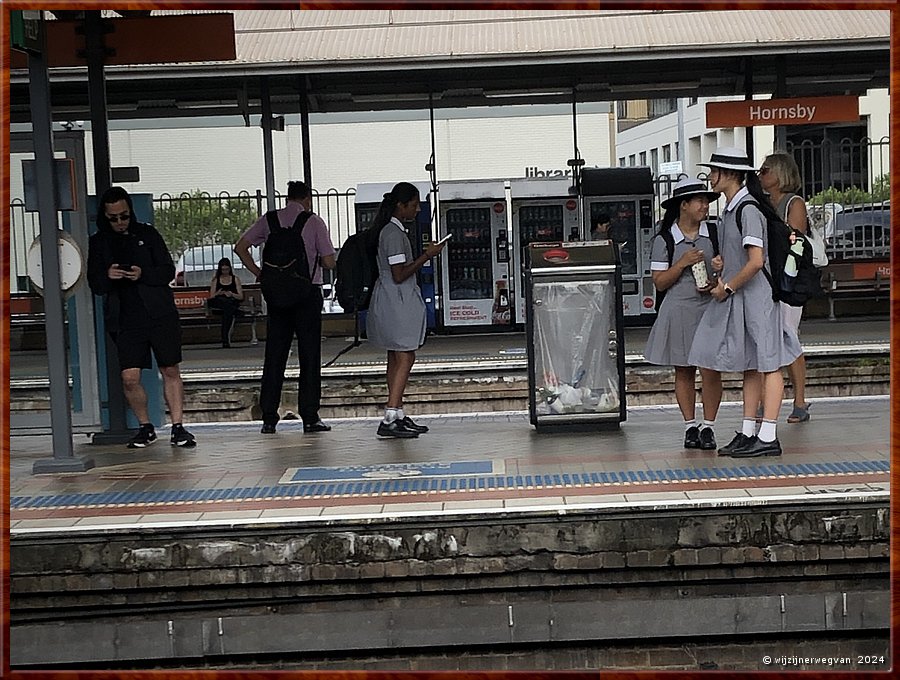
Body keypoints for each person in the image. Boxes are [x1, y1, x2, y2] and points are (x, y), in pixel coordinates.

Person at [688, 147, 803, 458]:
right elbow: (745, 257)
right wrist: (724, 264)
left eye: (715, 171)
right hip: (747, 297)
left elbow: (755, 261)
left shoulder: (747, 209)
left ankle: (768, 434)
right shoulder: (733, 209)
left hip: (758, 297)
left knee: (769, 363)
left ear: (732, 175)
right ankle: (749, 430)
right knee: (753, 365)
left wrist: (726, 287)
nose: (710, 176)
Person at [86, 186, 196, 449]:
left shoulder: (147, 234)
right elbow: (95, 283)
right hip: (124, 317)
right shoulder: (99, 243)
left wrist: (142, 274)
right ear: (105, 217)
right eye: (114, 218)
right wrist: (109, 275)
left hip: (159, 313)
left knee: (169, 368)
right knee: (130, 377)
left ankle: (178, 426)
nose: (120, 223)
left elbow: (168, 270)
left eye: (124, 216)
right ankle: (145, 426)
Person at [234, 180, 336, 434]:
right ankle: (310, 417)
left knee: (275, 354)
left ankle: (269, 417)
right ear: (307, 199)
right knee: (309, 356)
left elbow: (240, 247)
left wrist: (260, 274)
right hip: (307, 295)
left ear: (287, 197)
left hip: (277, 296)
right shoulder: (313, 221)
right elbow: (329, 261)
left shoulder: (269, 220)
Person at [644, 178, 724, 451]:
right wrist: (682, 263)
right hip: (679, 309)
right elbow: (659, 282)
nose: (704, 206)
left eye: (706, 201)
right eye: (699, 201)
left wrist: (719, 269)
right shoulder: (665, 239)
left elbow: (727, 268)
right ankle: (690, 425)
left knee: (711, 369)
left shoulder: (714, 233)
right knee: (684, 368)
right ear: (684, 205)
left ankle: (709, 426)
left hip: (708, 307)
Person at [365, 182, 448, 438]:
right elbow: (399, 274)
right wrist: (427, 255)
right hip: (397, 300)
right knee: (406, 355)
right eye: (413, 205)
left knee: (395, 355)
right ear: (401, 206)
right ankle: (391, 414)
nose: (417, 209)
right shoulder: (393, 234)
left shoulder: (391, 231)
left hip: (390, 299)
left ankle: (397, 413)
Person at [759, 151, 811, 423]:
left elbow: (796, 242)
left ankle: (800, 400)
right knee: (767, 334)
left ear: (779, 174)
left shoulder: (794, 203)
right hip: (769, 278)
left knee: (788, 334)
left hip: (787, 279)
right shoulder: (765, 202)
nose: (760, 175)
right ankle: (765, 398)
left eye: (765, 170)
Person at [207, 257, 244, 348]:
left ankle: (225, 340)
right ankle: (236, 311)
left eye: (227, 269)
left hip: (230, 301)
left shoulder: (235, 279)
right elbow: (211, 296)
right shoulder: (216, 280)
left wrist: (231, 294)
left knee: (227, 311)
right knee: (227, 307)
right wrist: (219, 293)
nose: (225, 272)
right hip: (219, 303)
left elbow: (240, 296)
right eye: (223, 270)